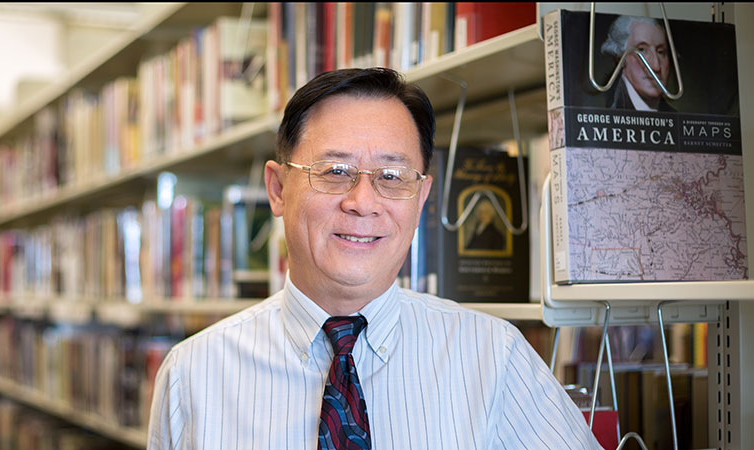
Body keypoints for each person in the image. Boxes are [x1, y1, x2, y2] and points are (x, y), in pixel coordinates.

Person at [148, 67, 601, 449]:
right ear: (278, 189)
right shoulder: (193, 376)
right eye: (336, 172)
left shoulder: (494, 359)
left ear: (422, 196)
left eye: (391, 175)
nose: (363, 202)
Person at [600, 15, 676, 112]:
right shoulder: (607, 111)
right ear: (620, 57)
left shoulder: (675, 118)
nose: (656, 66)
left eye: (661, 52)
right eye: (641, 50)